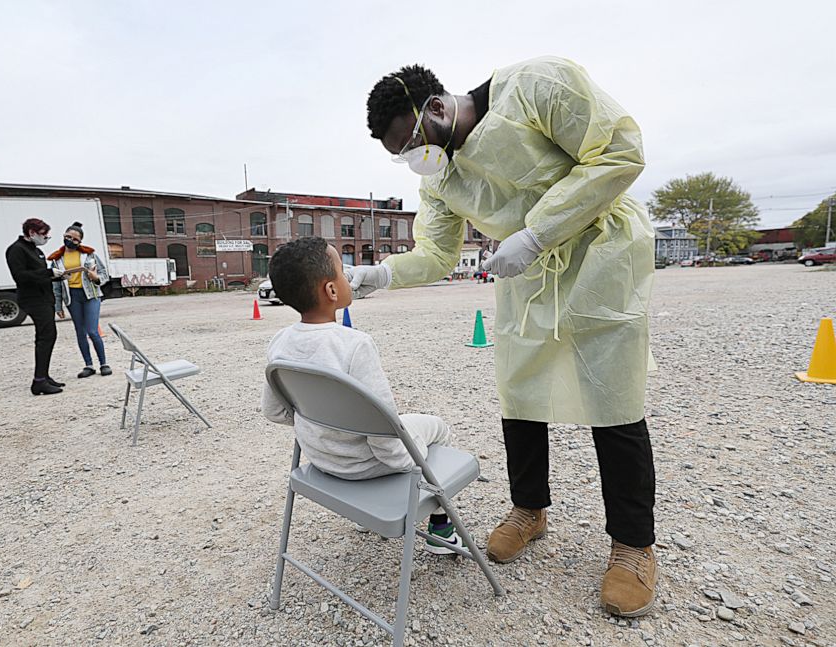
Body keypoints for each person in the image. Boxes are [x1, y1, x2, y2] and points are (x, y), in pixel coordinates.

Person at [358, 57, 658, 616]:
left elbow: (619, 151)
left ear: (438, 108)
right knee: (519, 392)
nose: (411, 159)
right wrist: (382, 273)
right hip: (527, 277)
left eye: (410, 142)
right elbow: (437, 253)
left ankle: (633, 545)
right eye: (400, 154)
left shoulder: (535, 86)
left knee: (613, 397)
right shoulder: (442, 175)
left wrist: (538, 231)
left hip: (600, 258)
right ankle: (529, 509)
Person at [261, 237, 461, 554]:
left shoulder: (280, 342)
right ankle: (442, 529)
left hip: (322, 461)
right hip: (364, 466)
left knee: (389, 425)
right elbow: (386, 438)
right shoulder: (355, 345)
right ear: (331, 291)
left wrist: (324, 423)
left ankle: (366, 516)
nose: (350, 275)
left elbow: (274, 412)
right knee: (435, 427)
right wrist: (409, 462)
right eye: (343, 270)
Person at [5, 218, 67, 395]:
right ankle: (38, 382)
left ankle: (44, 376)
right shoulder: (16, 250)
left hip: (45, 298)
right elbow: (21, 276)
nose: (46, 238)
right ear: (31, 233)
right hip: (33, 300)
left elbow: (39, 275)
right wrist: (47, 272)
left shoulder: (36, 250)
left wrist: (55, 276)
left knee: (48, 336)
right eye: (43, 234)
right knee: (46, 337)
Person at [49, 222, 112, 378]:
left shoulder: (89, 255)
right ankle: (88, 365)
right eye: (68, 236)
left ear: (80, 242)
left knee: (92, 330)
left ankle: (104, 363)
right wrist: (58, 306)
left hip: (90, 295)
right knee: (80, 332)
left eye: (75, 239)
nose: (70, 240)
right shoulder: (57, 259)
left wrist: (96, 278)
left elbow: (104, 274)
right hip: (72, 296)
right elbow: (56, 285)